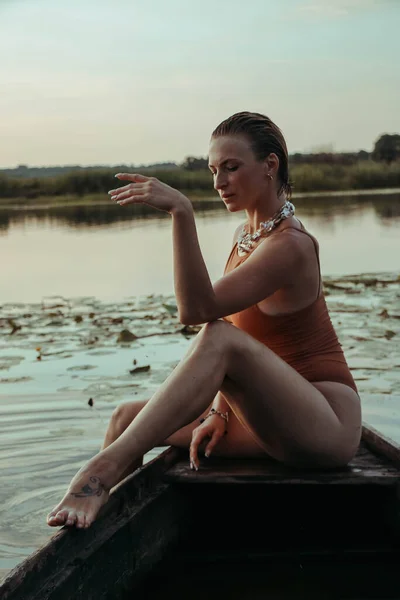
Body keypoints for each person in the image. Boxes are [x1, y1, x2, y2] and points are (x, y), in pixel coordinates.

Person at [47, 111, 361, 530]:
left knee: (218, 335)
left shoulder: (291, 246)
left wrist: (181, 211)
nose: (219, 182)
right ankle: (103, 530)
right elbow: (235, 333)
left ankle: (99, 474)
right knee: (125, 416)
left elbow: (199, 313)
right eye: (214, 170)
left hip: (324, 425)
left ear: (270, 165)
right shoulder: (244, 237)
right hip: (267, 419)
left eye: (231, 168)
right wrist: (219, 412)